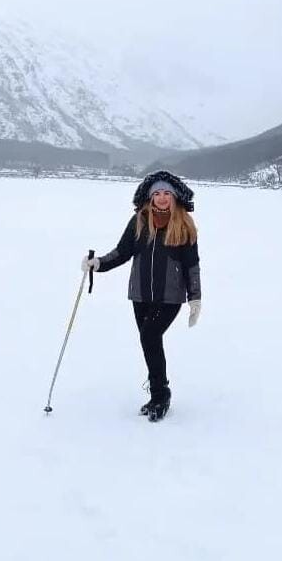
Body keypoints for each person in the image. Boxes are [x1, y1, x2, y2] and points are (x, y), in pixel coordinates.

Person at [82, 170, 201, 422]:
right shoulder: (139, 220)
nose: (161, 198)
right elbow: (122, 252)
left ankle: (161, 395)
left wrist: (195, 298)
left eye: (166, 193)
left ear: (174, 196)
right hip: (140, 294)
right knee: (150, 342)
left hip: (170, 297)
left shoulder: (184, 224)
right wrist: (98, 264)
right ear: (150, 196)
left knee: (149, 336)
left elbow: (192, 264)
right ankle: (158, 393)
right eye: (156, 193)